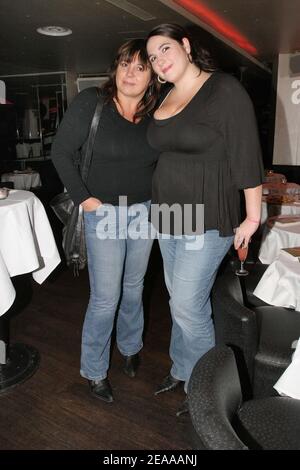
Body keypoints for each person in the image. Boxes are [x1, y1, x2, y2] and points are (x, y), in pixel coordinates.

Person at [146, 24, 264, 414]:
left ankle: (208, 393)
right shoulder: (165, 94)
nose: (158, 60)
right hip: (167, 215)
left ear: (185, 45)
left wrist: (251, 216)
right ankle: (182, 369)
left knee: (185, 305)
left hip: (207, 215)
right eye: (152, 57)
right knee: (180, 302)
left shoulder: (223, 89)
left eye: (164, 49)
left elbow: (246, 154)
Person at [51, 39, 160, 403]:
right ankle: (95, 370)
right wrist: (86, 199)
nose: (131, 73)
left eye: (141, 67)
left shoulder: (156, 112)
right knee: (105, 298)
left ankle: (130, 347)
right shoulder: (93, 102)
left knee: (134, 288)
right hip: (106, 215)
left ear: (151, 77)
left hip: (144, 212)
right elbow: (61, 152)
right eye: (126, 64)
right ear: (115, 68)